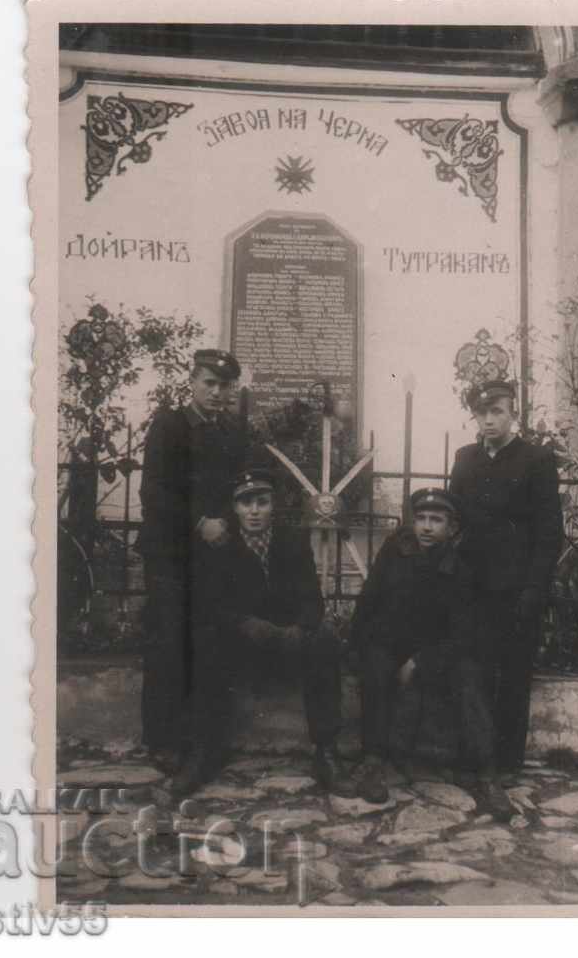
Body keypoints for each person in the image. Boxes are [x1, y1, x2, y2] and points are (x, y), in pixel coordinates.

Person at [173, 467, 357, 799]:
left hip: (288, 639)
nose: (254, 511)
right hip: (242, 641)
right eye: (245, 503)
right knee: (206, 643)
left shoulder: (292, 540)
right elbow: (209, 602)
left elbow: (311, 597)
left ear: (274, 505)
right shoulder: (220, 546)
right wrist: (246, 624)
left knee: (326, 641)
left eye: (262, 502)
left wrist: (300, 628)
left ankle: (326, 753)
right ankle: (204, 752)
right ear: (234, 508)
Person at [350, 487, 512, 816]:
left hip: (438, 651)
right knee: (375, 669)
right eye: (421, 518)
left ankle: (486, 774)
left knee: (469, 677)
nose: (426, 527)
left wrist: (421, 662)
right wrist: (363, 647)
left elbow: (464, 631)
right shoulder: (395, 551)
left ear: (451, 528)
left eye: (436, 520)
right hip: (392, 643)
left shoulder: (461, 565)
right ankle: (372, 763)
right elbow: (370, 602)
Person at [136, 348, 246, 774]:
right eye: (210, 384)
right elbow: (155, 492)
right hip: (170, 552)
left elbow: (236, 488)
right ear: (192, 383)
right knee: (167, 641)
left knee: (207, 641)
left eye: (225, 386)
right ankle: (162, 740)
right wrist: (200, 523)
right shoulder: (170, 425)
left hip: (214, 555)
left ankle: (202, 739)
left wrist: (227, 526)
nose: (218, 393)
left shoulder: (231, 432)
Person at [448, 379, 564, 775]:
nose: (489, 420)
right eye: (482, 412)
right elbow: (455, 519)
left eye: (497, 411)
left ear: (513, 413)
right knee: (473, 669)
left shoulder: (536, 459)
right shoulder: (465, 459)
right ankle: (473, 758)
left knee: (514, 674)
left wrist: (534, 587)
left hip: (516, 587)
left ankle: (507, 763)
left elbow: (550, 531)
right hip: (473, 585)